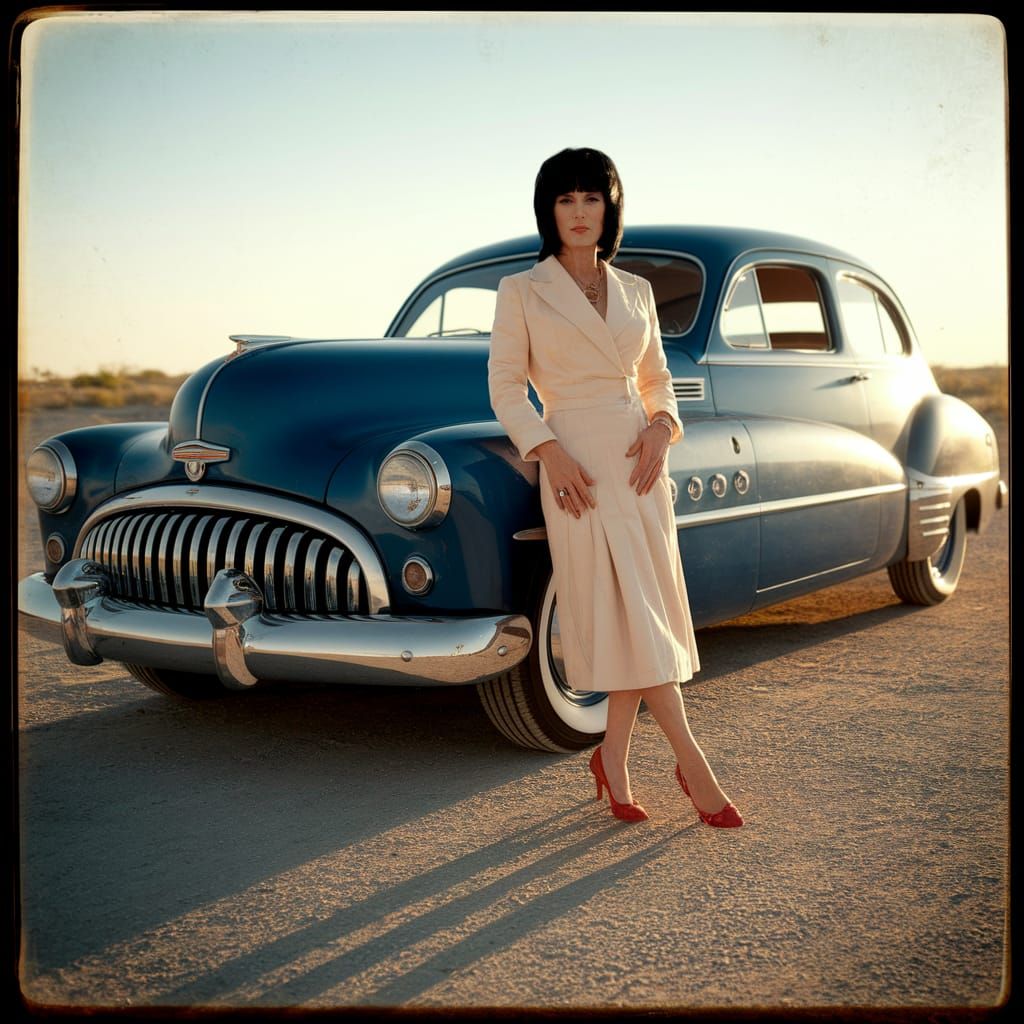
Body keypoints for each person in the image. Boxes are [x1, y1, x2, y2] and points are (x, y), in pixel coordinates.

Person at [487, 147, 742, 827]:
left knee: (643, 613)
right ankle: (694, 766)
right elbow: (506, 388)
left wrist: (663, 426)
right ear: (549, 210)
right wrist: (545, 448)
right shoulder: (522, 290)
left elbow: (658, 380)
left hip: (638, 463)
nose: (578, 212)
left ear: (610, 206)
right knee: (633, 616)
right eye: (565, 199)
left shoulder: (636, 290)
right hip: (576, 467)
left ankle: (614, 760)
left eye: (590, 198)